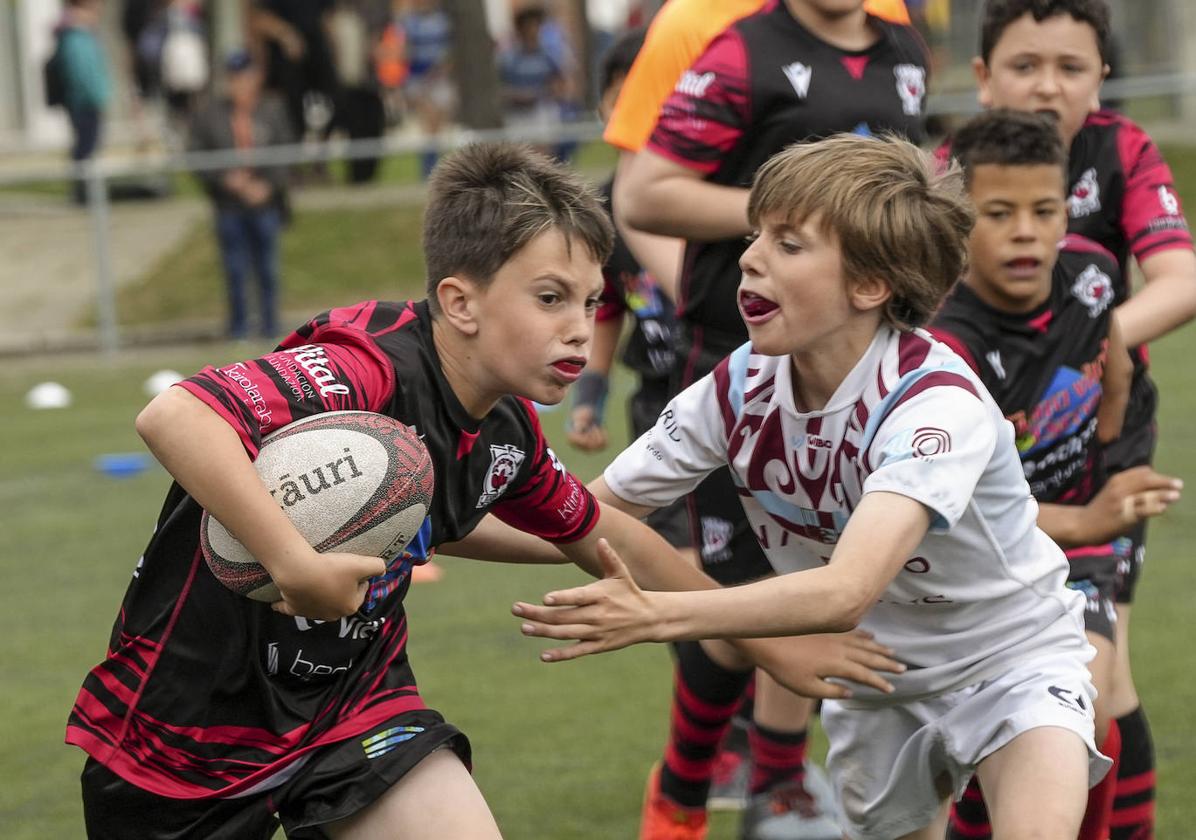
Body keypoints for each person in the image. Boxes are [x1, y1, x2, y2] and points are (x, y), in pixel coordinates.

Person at [65, 141, 900, 839]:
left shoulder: (505, 434)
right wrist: (293, 560)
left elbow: (604, 536)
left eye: (590, 302)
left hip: (353, 707)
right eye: (549, 299)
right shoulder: (367, 367)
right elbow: (175, 415)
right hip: (183, 723)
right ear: (459, 301)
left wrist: (773, 645)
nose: (578, 325)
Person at [514, 132, 1112, 840]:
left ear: (869, 285)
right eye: (757, 234)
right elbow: (579, 515)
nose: (749, 256)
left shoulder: (934, 404)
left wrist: (660, 613)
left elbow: (844, 591)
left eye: (788, 244)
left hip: (1011, 658)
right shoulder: (739, 388)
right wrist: (424, 525)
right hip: (873, 679)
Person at [615, 2, 932, 836]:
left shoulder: (903, 47)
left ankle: (779, 783)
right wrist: (801, 217)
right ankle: (686, 793)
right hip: (742, 352)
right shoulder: (739, 50)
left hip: (861, 366)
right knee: (740, 598)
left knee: (826, 585)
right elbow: (642, 193)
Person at [936, 3, 1196, 836]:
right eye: (1024, 65)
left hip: (1086, 466)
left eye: (1071, 66)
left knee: (1095, 681)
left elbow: (1177, 283)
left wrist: (1090, 347)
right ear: (982, 76)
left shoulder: (1120, 154)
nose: (1047, 85)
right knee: (1005, 694)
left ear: (1102, 78)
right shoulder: (944, 173)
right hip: (978, 473)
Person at [188, 49, 294, 340]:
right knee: (235, 268)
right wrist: (225, 180)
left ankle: (271, 326)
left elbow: (286, 152)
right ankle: (239, 327)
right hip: (229, 204)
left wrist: (268, 186)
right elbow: (196, 155)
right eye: (234, 78)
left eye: (245, 77)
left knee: (268, 268)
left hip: (265, 202)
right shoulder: (210, 114)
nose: (240, 85)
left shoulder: (272, 109)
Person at [54, 0, 112, 205]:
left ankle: (85, 190)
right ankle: (82, 191)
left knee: (88, 145)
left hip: (86, 98)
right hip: (84, 100)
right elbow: (83, 73)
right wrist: (97, 95)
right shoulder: (75, 37)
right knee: (85, 146)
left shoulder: (81, 35)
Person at [497, 6, 565, 153]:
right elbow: (499, 88)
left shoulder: (547, 55)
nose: (533, 31)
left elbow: (560, 81)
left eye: (536, 26)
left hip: (540, 110)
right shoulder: (508, 58)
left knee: (543, 151)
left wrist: (552, 90)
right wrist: (518, 95)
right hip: (517, 114)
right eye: (529, 27)